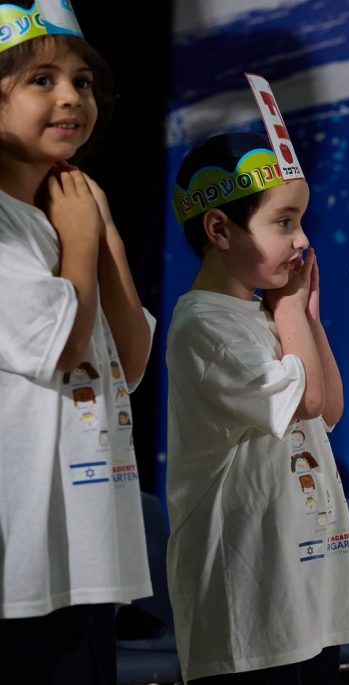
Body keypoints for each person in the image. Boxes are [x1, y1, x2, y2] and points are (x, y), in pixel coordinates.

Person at [165, 131, 349, 683]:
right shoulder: (202, 324)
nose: (302, 239)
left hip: (306, 594)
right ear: (218, 229)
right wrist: (291, 312)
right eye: (284, 222)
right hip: (249, 612)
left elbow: (329, 412)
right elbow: (307, 399)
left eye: (301, 221)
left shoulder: (269, 313)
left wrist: (305, 316)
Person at [0, 11, 154, 684]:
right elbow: (62, 344)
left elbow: (132, 360)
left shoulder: (71, 212)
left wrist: (105, 236)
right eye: (42, 79)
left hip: (88, 549)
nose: (72, 98)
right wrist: (83, 239)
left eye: (83, 81)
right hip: (22, 562)